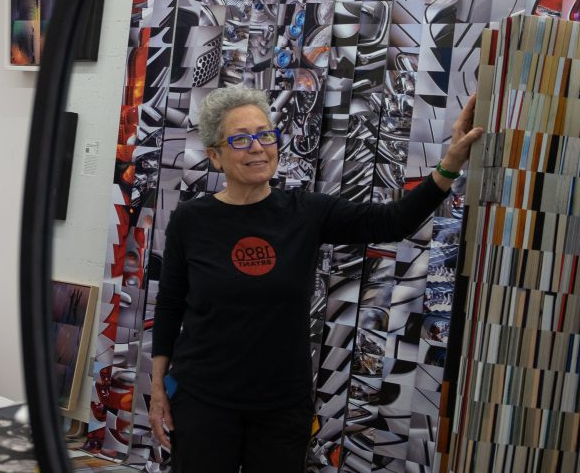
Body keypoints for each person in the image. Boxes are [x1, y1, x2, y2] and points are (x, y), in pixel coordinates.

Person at [149, 85, 483, 473]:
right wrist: (159, 389)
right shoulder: (191, 221)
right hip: (202, 399)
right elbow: (170, 305)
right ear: (215, 156)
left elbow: (394, 222)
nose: (257, 147)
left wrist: (451, 162)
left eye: (265, 135)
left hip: (281, 404)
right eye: (241, 139)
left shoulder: (306, 212)